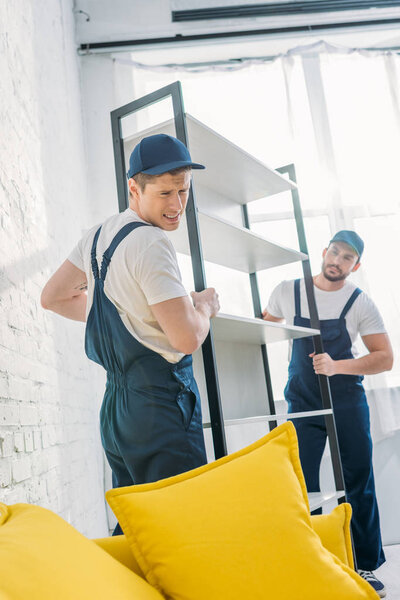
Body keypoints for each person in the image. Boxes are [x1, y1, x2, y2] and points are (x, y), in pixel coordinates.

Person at [41, 134, 220, 534]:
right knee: (183, 529)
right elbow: (187, 339)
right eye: (164, 193)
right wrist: (203, 307)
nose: (176, 206)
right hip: (161, 405)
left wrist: (131, 309)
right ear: (134, 189)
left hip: (118, 413)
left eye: (183, 191)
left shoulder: (98, 235)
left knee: (139, 530)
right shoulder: (151, 242)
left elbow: (53, 297)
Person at [263, 230, 392, 598]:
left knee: (357, 481)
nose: (338, 260)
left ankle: (363, 564)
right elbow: (265, 330)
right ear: (324, 252)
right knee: (299, 484)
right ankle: (305, 561)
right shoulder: (289, 290)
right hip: (302, 401)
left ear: (356, 265)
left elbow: (385, 358)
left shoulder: (359, 302)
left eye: (347, 257)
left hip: (347, 401)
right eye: (334, 252)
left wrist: (338, 367)